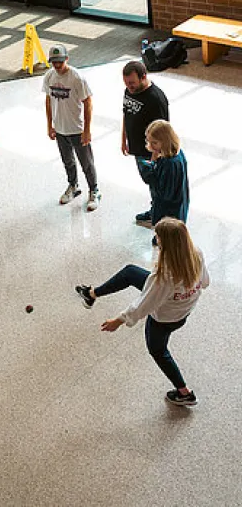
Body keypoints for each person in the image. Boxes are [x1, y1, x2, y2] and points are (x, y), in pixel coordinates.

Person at [75, 218, 208, 406]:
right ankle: (92, 294)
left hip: (165, 320)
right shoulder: (196, 254)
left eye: (158, 236)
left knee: (158, 351)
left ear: (168, 243)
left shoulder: (164, 276)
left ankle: (184, 392)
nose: (156, 239)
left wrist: (119, 320)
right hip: (183, 311)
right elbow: (205, 282)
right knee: (130, 272)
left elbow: (144, 305)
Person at [43, 45, 101, 211]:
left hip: (77, 129)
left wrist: (87, 130)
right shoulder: (49, 77)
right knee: (67, 161)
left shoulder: (77, 78)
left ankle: (94, 189)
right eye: (54, 62)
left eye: (60, 61)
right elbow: (48, 101)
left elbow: (88, 102)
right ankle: (73, 186)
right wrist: (50, 125)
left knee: (87, 163)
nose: (57, 65)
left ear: (67, 59)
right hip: (60, 129)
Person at [122, 60, 171, 224]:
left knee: (157, 187)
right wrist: (124, 138)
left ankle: (160, 217)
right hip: (137, 148)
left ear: (143, 77)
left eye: (132, 83)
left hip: (151, 153)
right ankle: (155, 210)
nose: (129, 87)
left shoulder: (156, 99)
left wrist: (155, 157)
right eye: (126, 83)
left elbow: (163, 132)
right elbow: (126, 114)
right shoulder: (129, 91)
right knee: (150, 185)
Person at [138, 120, 189, 240]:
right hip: (177, 197)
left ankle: (164, 236)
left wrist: (149, 169)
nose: (150, 146)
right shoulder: (175, 153)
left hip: (169, 204)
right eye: (148, 141)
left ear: (165, 141)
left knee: (168, 223)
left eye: (154, 143)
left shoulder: (169, 163)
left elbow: (163, 191)